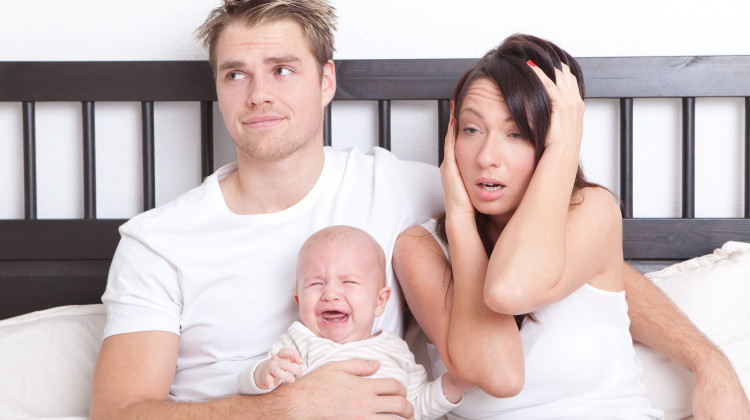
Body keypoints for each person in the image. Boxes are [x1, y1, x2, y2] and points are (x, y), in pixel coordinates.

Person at [90, 1, 749, 419]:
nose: (258, 93)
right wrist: (282, 408)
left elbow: (574, 262)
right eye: (235, 73)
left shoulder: (407, 190)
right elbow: (117, 411)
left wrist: (707, 359)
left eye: (283, 69)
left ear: (326, 81)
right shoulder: (161, 240)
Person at [393, 34, 749, 419]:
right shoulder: (421, 249)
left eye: (517, 133)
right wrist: (461, 220)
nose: (486, 157)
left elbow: (510, 288)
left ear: (552, 139)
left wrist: (565, 147)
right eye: (471, 129)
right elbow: (500, 372)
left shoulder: (590, 211)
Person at [238, 225, 466, 419]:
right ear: (299, 301)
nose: (330, 294)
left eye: (347, 282)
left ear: (379, 301)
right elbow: (249, 387)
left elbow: (415, 406)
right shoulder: (297, 343)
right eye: (316, 284)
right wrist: (261, 374)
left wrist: (455, 385)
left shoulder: (396, 350)